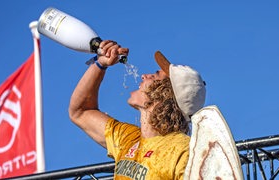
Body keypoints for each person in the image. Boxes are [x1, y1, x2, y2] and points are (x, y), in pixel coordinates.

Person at [68, 40, 206, 179]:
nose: (144, 76)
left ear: (165, 93)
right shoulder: (129, 138)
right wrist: (100, 64)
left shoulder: (183, 150)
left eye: (154, 75)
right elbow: (80, 112)